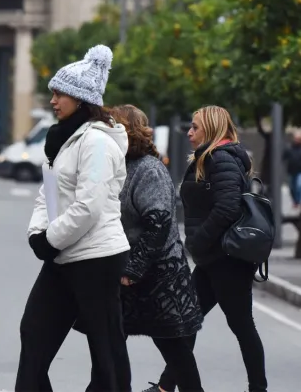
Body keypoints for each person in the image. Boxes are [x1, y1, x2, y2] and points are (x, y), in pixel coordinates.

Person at [15, 45, 132, 392]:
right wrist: (38, 232)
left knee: (105, 349)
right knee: (33, 332)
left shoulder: (96, 142)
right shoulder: (62, 141)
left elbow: (89, 206)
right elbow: (48, 193)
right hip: (63, 254)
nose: (52, 100)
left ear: (81, 99)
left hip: (98, 258)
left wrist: (50, 239)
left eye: (59, 94)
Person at [77, 105, 204, 392]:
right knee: (106, 356)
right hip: (122, 275)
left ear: (125, 130)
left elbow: (158, 223)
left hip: (159, 278)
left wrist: (132, 270)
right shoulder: (115, 165)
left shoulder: (148, 169)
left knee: (177, 355)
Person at [151, 105, 267, 392]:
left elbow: (227, 207)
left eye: (195, 127)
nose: (190, 132)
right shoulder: (211, 157)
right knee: (186, 323)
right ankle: (166, 387)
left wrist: (198, 240)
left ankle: (259, 389)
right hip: (212, 258)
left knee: (241, 326)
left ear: (212, 129)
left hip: (226, 260)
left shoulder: (221, 159)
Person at [282, 130, 301, 209]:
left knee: (299, 186)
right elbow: (284, 157)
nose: (296, 140)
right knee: (291, 188)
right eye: (296, 138)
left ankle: (298, 201)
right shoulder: (289, 147)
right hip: (291, 171)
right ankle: (295, 201)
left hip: (299, 171)